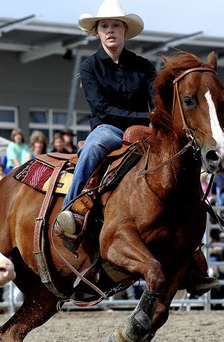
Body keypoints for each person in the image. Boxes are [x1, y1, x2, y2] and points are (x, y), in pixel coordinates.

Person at [55, 0, 155, 242]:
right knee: (92, 147)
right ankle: (72, 211)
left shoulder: (143, 66)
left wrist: (157, 120)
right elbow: (101, 108)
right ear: (97, 32)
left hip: (144, 131)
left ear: (124, 31)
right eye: (104, 26)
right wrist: (146, 118)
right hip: (108, 129)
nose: (110, 30)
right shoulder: (89, 66)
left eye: (115, 25)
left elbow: (158, 101)